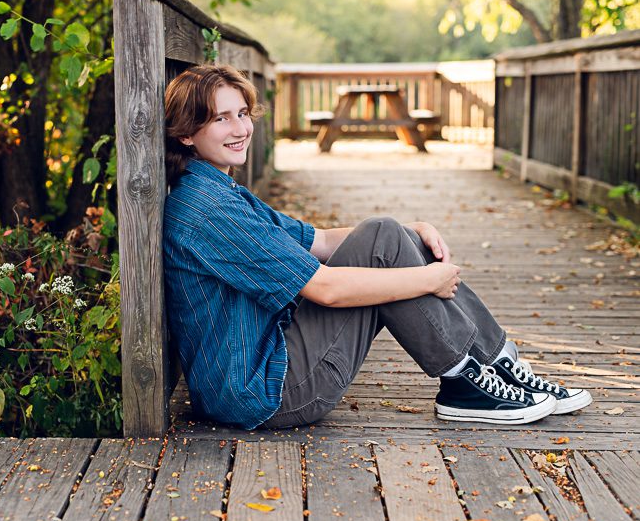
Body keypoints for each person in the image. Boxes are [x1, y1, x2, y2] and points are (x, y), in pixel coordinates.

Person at [162, 64, 592, 431]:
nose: (240, 129)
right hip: (264, 392)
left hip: (266, 356)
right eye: (221, 119)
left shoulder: (216, 188)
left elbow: (322, 241)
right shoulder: (206, 208)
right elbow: (326, 289)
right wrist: (428, 277)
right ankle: (467, 380)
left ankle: (496, 367)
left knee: (384, 232)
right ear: (186, 134)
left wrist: (411, 230)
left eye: (242, 113)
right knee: (385, 248)